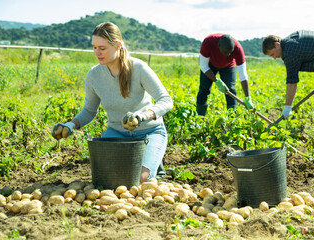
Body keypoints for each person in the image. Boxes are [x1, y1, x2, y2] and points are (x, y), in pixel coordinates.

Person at [51, 22, 173, 182]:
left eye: (102, 48)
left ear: (118, 45)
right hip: (117, 134)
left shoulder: (139, 68)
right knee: (107, 177)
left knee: (139, 179)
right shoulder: (94, 76)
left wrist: (143, 116)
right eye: (94, 47)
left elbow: (166, 100)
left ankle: (151, 161)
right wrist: (71, 125)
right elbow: (89, 111)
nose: (97, 52)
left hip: (149, 132)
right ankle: (143, 159)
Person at [196, 33, 254, 116]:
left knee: (231, 90)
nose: (228, 55)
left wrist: (248, 97)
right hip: (209, 65)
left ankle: (231, 119)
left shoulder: (238, 49)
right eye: (226, 52)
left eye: (230, 52)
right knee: (204, 90)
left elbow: (243, 75)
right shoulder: (208, 43)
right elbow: (203, 66)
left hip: (228, 66)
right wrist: (216, 81)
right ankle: (200, 116)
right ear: (218, 46)